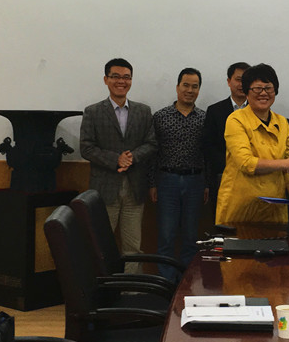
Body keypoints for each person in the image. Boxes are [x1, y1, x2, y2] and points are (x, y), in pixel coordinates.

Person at [80, 58, 157, 274]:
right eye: (115, 76)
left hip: (135, 188)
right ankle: (102, 288)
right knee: (100, 245)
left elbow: (151, 144)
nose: (121, 81)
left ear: (131, 80)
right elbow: (86, 148)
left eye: (126, 77)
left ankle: (130, 289)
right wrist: (116, 159)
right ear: (106, 79)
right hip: (104, 189)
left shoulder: (143, 111)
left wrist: (131, 157)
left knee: (133, 247)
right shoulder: (93, 112)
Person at [215, 63, 289, 224]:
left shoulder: (282, 122)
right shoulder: (236, 119)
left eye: (268, 88)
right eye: (257, 89)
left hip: (275, 211)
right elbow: (246, 163)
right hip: (241, 209)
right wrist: (286, 163)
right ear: (247, 92)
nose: (263, 93)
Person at [149, 68, 206, 281]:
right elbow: (152, 152)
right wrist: (152, 183)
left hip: (195, 181)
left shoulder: (204, 118)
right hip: (167, 181)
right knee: (166, 235)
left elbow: (206, 154)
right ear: (177, 87)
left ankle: (186, 283)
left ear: (199, 90)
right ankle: (166, 284)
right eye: (186, 85)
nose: (190, 90)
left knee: (191, 237)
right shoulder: (160, 116)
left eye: (194, 86)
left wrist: (207, 184)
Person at [202, 62, 250, 218]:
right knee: (223, 224)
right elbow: (209, 146)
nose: (241, 84)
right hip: (223, 177)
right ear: (229, 81)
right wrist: (232, 167)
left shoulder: (259, 111)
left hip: (253, 179)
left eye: (246, 80)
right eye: (238, 79)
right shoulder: (215, 111)